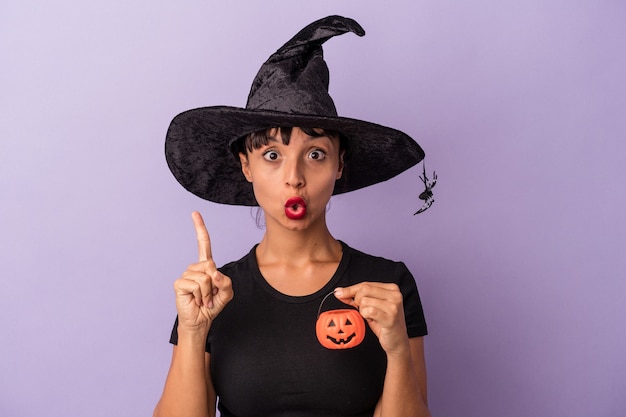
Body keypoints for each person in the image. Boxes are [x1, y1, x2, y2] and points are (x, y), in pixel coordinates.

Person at [154, 15, 432, 417]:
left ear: (340, 165)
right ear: (246, 167)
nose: (294, 178)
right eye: (272, 156)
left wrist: (397, 349)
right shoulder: (213, 293)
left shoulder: (389, 285)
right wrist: (194, 332)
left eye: (315, 154)